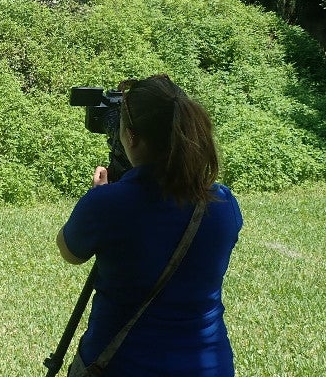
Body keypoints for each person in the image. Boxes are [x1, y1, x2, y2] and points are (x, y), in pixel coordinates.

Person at [56, 74, 243, 377]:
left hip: (121, 366)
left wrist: (98, 197)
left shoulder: (107, 204)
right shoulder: (224, 204)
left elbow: (69, 251)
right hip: (209, 367)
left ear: (130, 137)